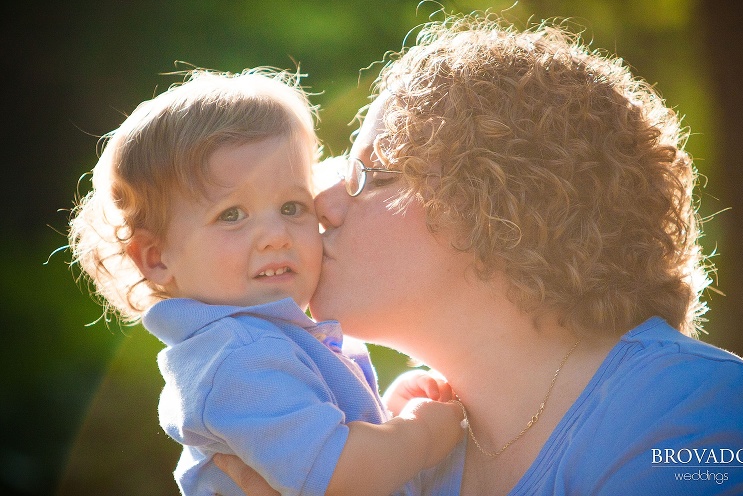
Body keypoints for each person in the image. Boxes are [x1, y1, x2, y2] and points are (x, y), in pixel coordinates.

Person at [215, 15, 743, 495]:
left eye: (375, 175)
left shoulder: (697, 411)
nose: (322, 203)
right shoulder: (399, 451)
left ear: (504, 204)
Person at [67, 68, 464, 496]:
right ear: (157, 258)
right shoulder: (235, 358)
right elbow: (338, 479)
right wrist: (417, 436)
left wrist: (387, 415)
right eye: (232, 215)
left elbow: (326, 457)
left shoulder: (271, 340)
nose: (277, 235)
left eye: (292, 207)